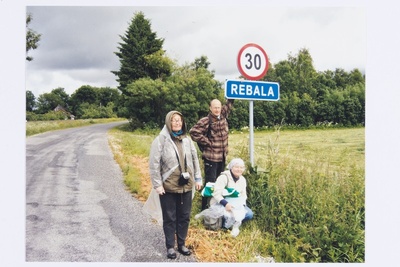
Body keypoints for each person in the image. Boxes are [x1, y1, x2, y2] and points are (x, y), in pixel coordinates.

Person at [148, 111, 203, 259]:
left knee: (184, 216)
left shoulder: (187, 140)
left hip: (186, 185)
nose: (178, 123)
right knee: (170, 217)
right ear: (168, 123)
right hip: (168, 186)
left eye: (180, 121)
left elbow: (195, 159)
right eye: (174, 121)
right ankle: (170, 246)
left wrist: (198, 178)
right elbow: (154, 164)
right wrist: (157, 184)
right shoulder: (161, 140)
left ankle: (182, 244)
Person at [189, 98, 234, 210]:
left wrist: (232, 92)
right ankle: (205, 209)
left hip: (222, 157)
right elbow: (193, 132)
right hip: (211, 158)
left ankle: (217, 208)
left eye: (218, 107)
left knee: (220, 184)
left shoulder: (223, 115)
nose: (217, 109)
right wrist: (208, 142)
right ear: (210, 108)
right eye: (215, 107)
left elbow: (229, 105)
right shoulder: (206, 120)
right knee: (210, 184)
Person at [210, 158, 253, 236]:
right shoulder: (224, 177)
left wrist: (241, 205)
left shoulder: (242, 179)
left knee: (249, 214)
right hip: (222, 203)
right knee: (226, 214)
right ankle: (224, 226)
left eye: (241, 167)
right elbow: (216, 193)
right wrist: (226, 204)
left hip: (235, 204)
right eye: (236, 167)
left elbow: (244, 195)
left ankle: (233, 224)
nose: (239, 169)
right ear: (231, 167)